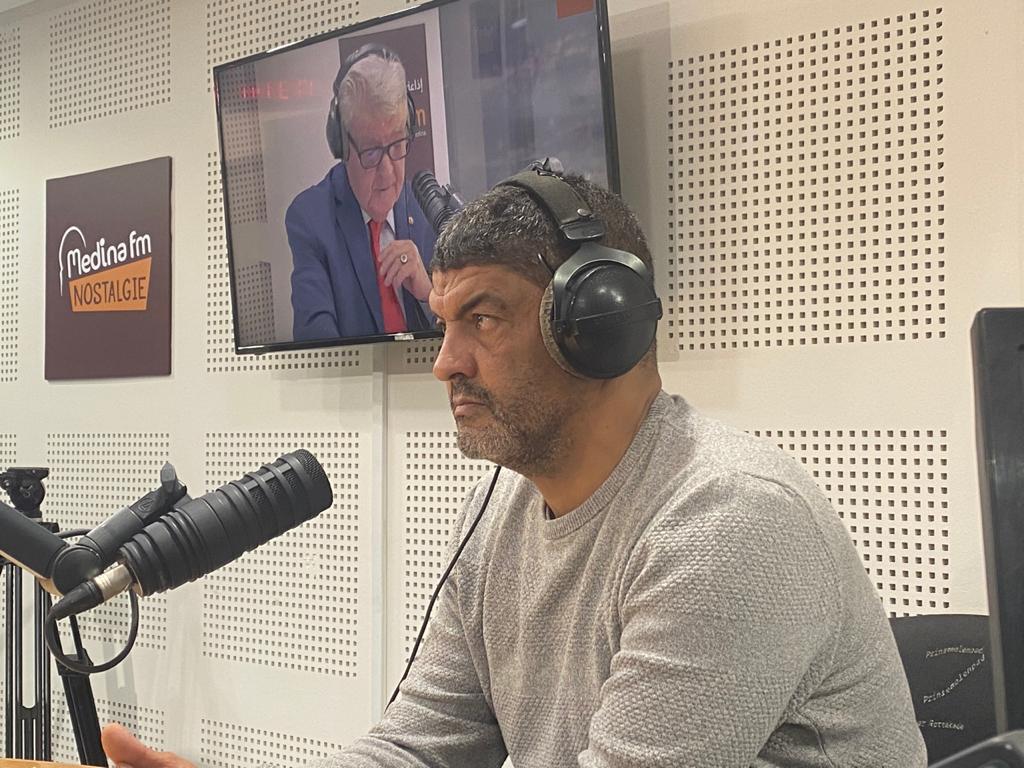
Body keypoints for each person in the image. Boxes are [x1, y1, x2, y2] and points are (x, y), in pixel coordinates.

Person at [102, 169, 927, 766]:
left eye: (484, 318)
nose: (445, 363)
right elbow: (420, 747)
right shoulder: (497, 511)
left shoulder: (726, 521)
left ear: (598, 323)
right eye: (444, 323)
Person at [287, 45, 435, 342]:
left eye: (397, 144)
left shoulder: (425, 207)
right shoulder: (310, 218)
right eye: (371, 152)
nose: (388, 172)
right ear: (342, 147)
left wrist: (427, 292)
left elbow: (464, 329)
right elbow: (314, 343)